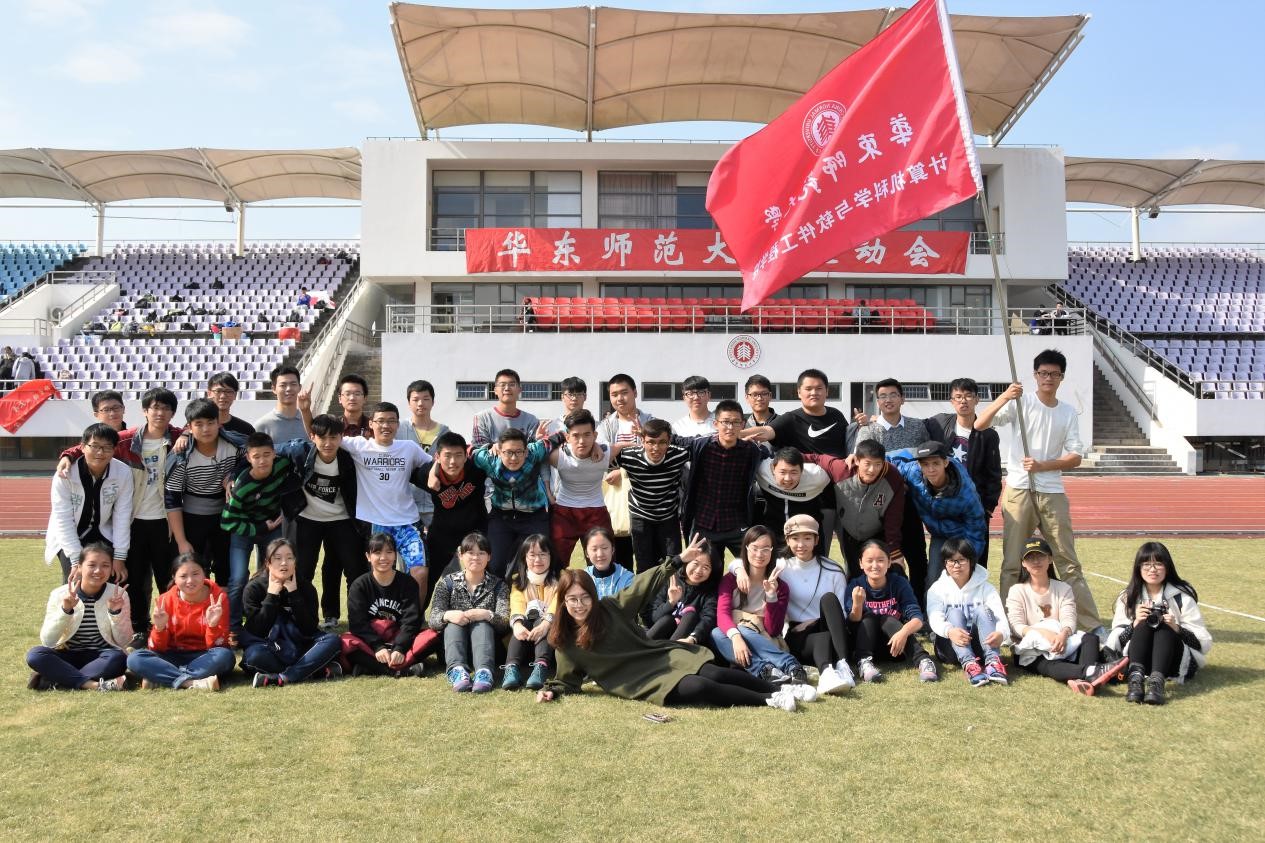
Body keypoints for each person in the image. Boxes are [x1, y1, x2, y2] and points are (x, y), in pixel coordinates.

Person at [538, 541, 804, 712]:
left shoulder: (608, 608)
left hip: (655, 656)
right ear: (563, 602)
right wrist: (550, 691)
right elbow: (565, 680)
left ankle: (780, 688)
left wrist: (677, 560)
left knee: (713, 672)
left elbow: (642, 585)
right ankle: (770, 700)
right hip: (639, 681)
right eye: (572, 599)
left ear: (593, 596)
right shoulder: (565, 641)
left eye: (585, 597)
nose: (580, 605)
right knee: (699, 687)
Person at [975, 349, 1101, 633]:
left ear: (1061, 377)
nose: (1048, 378)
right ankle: (1009, 627)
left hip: (1052, 491)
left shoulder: (1067, 412)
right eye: (1043, 373)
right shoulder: (1021, 403)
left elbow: (1075, 456)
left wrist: (1044, 465)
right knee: (1012, 563)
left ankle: (1091, 626)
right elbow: (980, 423)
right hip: (1019, 489)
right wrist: (1006, 396)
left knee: (1068, 562)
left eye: (1054, 374)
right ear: (1035, 375)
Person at [58, 387, 182, 648]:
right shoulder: (126, 440)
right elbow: (95, 444)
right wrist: (67, 454)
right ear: (145, 410)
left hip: (167, 521)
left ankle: (174, 626)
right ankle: (138, 627)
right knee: (134, 579)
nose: (160, 413)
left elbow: (204, 433)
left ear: (173, 412)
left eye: (166, 408)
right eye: (155, 407)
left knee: (169, 577)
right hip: (135, 521)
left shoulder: (180, 438)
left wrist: (190, 432)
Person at [305, 398, 433, 606]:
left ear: (398, 425)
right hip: (375, 524)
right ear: (371, 424)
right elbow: (321, 434)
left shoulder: (409, 448)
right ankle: (379, 616)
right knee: (378, 575)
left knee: (420, 571)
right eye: (380, 421)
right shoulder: (358, 445)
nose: (386, 426)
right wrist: (305, 410)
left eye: (391, 421)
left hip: (407, 522)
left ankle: (414, 619)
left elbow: (434, 465)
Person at [854, 379, 943, 598]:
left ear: (902, 399)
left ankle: (919, 606)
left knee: (917, 559)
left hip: (912, 505)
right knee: (883, 560)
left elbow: (926, 460)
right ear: (877, 401)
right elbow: (863, 468)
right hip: (880, 508)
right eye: (883, 396)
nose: (888, 400)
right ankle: (888, 604)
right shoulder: (868, 431)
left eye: (893, 395)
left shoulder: (917, 427)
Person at [1006, 537, 1129, 695]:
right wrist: (1043, 633)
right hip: (1032, 648)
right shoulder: (1017, 590)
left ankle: (1084, 679)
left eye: (1040, 556)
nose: (1036, 561)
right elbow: (1016, 626)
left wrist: (1063, 634)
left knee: (1091, 638)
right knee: (1046, 664)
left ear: (1050, 559)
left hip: (1062, 641)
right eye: (1030, 558)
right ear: (1023, 563)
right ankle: (1091, 672)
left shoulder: (1063, 588)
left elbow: (1069, 619)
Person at [165, 398, 244, 628]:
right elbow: (172, 499)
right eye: (198, 424)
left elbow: (251, 457)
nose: (206, 429)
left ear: (219, 423)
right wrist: (181, 540)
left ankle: (225, 623)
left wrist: (234, 476)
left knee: (226, 570)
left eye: (210, 422)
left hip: (226, 517)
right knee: (192, 571)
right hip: (192, 518)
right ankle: (190, 623)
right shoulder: (181, 456)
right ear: (189, 427)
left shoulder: (234, 446)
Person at [712, 526, 821, 690]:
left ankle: (790, 666)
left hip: (766, 641)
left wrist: (771, 596)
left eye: (765, 549)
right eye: (754, 548)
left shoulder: (780, 587)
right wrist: (736, 637)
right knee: (716, 633)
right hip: (736, 642)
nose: (759, 554)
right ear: (746, 548)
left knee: (735, 629)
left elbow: (773, 630)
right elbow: (722, 614)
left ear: (772, 551)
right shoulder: (730, 580)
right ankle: (767, 670)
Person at [668, 399, 769, 571]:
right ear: (716, 424)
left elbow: (773, 457)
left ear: (742, 425)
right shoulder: (701, 444)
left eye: (735, 422)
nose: (730, 427)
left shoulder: (751, 450)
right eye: (725, 422)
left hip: (736, 522)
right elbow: (674, 440)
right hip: (704, 522)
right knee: (703, 573)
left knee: (754, 568)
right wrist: (645, 432)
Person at [285, 414, 365, 631]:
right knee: (303, 570)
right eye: (322, 437)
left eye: (333, 437)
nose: (328, 443)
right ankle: (304, 617)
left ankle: (354, 618)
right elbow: (267, 450)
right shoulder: (301, 452)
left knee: (353, 569)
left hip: (342, 520)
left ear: (341, 437)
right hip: (307, 519)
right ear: (312, 436)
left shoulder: (349, 459)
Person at [1105, 542, 1211, 705]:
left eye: (1158, 564)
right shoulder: (1129, 596)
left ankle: (1156, 685)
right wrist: (1134, 624)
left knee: (1163, 626)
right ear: (1138, 568)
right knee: (1143, 624)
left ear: (1167, 567)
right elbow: (1115, 643)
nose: (1152, 570)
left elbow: (1201, 644)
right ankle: (1135, 681)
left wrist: (1177, 628)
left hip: (1174, 661)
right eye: (1146, 564)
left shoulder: (1181, 596)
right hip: (1139, 658)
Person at [220, 432, 299, 639]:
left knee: (276, 573)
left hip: (272, 528)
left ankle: (270, 622)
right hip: (244, 531)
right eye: (256, 456)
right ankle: (234, 627)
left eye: (266, 455)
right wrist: (260, 528)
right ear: (248, 458)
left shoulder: (282, 465)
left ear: (274, 453)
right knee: (238, 578)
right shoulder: (242, 485)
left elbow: (301, 452)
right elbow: (228, 522)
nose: (262, 461)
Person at [767, 514, 856, 690]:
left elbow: (842, 613)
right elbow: (742, 563)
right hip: (798, 636)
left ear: (816, 540)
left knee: (829, 599)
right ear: (787, 541)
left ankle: (843, 665)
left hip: (832, 633)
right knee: (822, 638)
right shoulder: (780, 569)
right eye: (795, 538)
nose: (801, 544)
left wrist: (814, 622)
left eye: (807, 538)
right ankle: (827, 673)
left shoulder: (833, 569)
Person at [26, 543, 131, 691]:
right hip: (68, 654)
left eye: (105, 566)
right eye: (92, 565)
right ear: (80, 567)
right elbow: (48, 641)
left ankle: (57, 680)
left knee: (118, 658)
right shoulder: (59, 594)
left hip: (102, 656)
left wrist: (115, 613)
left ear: (111, 568)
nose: (98, 571)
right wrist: (65, 610)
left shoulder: (118, 595)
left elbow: (123, 641)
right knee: (35, 655)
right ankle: (93, 685)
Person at [240, 539, 343, 686]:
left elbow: (309, 629)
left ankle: (286, 677)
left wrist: (294, 594)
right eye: (278, 558)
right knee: (253, 656)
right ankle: (314, 671)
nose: (284, 563)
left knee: (332, 640)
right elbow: (257, 631)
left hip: (301, 646)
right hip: (268, 647)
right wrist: (271, 595)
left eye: (289, 558)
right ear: (268, 563)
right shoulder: (254, 588)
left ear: (295, 562)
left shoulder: (306, 587)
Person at [126, 552, 235, 690]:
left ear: (204, 573)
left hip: (204, 656)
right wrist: (159, 628)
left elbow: (218, 645)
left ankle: (162, 678)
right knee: (134, 658)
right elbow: (157, 648)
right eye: (183, 576)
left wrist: (212, 626)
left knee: (225, 657)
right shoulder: (165, 600)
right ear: (174, 578)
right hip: (171, 655)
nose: (190, 580)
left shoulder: (219, 598)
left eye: (195, 574)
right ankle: (191, 683)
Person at [890, 440, 987, 593]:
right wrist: (856, 458)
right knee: (932, 581)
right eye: (925, 464)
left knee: (962, 579)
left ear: (945, 462)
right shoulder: (913, 472)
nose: (931, 469)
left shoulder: (966, 493)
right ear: (919, 465)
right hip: (939, 535)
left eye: (936, 463)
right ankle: (930, 609)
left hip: (963, 536)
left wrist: (969, 558)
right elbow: (889, 462)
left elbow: (976, 529)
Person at [45, 423, 132, 584]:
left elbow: (122, 515)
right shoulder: (65, 474)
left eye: (107, 447)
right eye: (95, 446)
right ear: (83, 447)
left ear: (114, 449)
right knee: (76, 582)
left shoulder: (123, 472)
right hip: (69, 534)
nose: (100, 452)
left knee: (112, 579)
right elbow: (63, 518)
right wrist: (75, 560)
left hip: (102, 531)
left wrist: (120, 556)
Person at [805, 439, 906, 579]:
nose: (872, 469)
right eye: (867, 463)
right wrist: (785, 459)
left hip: (877, 532)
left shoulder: (893, 477)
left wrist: (894, 552)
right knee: (854, 575)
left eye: (878, 464)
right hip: (850, 533)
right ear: (857, 460)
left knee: (883, 574)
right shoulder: (841, 469)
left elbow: (894, 518)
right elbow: (817, 458)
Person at [928, 377, 1001, 565]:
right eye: (958, 396)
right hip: (944, 505)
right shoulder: (939, 423)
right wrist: (877, 419)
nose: (963, 401)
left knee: (976, 562)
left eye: (968, 396)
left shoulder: (988, 434)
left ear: (977, 400)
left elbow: (993, 475)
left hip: (974, 508)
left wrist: (987, 509)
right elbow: (914, 427)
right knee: (940, 565)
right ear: (952, 401)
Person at [845, 541, 939, 683]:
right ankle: (864, 663)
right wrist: (857, 604)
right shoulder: (855, 585)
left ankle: (923, 660)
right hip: (864, 645)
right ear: (861, 563)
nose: (875, 565)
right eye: (869, 561)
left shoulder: (898, 583)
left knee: (887, 619)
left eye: (880, 560)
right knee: (870, 617)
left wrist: (903, 633)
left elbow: (917, 619)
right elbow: (852, 623)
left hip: (895, 647)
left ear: (889, 562)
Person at [341, 533, 433, 677]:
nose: (383, 558)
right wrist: (378, 646)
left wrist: (400, 648)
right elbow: (357, 623)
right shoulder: (359, 585)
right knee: (345, 642)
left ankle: (370, 666)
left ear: (395, 555)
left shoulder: (408, 583)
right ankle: (400, 670)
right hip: (371, 641)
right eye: (377, 553)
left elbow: (411, 621)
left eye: (389, 552)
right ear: (368, 556)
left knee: (432, 637)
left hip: (399, 637)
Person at [428, 532, 510, 693]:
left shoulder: (499, 586)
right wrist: (448, 615)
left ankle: (484, 673)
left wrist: (487, 615)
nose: (476, 558)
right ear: (461, 555)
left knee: (482, 623)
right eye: (470, 553)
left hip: (488, 648)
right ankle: (457, 671)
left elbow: (504, 623)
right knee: (453, 623)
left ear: (489, 557)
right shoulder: (447, 583)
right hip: (453, 647)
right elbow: (433, 619)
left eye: (481, 553)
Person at [470, 427, 556, 577]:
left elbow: (559, 437)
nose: (514, 458)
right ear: (499, 451)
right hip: (501, 517)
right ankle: (500, 591)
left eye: (518, 452)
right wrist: (488, 446)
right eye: (508, 452)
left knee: (539, 564)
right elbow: (466, 450)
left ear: (526, 451)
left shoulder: (534, 452)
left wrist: (594, 446)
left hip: (534, 516)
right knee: (495, 565)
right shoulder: (488, 459)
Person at [926, 538, 1011, 687]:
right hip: (950, 647)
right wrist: (949, 631)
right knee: (954, 612)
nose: (956, 565)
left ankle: (993, 663)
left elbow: (1000, 616)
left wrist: (1001, 633)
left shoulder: (986, 588)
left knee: (983, 610)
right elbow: (934, 618)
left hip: (981, 646)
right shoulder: (937, 589)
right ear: (945, 563)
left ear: (971, 561)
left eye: (961, 560)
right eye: (951, 561)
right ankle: (969, 664)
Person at [609, 418, 688, 573]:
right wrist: (623, 444)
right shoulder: (629, 456)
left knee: (673, 564)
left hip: (668, 517)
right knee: (644, 565)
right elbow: (601, 454)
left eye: (662, 442)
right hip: (641, 517)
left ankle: (672, 590)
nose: (656, 448)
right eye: (650, 442)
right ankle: (647, 590)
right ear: (642, 441)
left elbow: (703, 445)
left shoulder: (679, 455)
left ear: (669, 441)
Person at [598, 374, 656, 566]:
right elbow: (602, 457)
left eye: (624, 393)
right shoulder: (605, 426)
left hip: (646, 500)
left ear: (635, 393)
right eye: (614, 394)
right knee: (621, 557)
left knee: (647, 559)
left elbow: (657, 457)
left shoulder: (651, 423)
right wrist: (626, 446)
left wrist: (623, 471)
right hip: (617, 499)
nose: (619, 398)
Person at [547, 409, 612, 563]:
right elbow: (532, 454)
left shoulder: (606, 453)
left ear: (595, 435)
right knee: (556, 563)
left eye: (587, 435)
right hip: (564, 511)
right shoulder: (558, 456)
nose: (582, 441)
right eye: (576, 436)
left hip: (596, 511)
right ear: (567, 437)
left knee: (603, 562)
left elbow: (627, 447)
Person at [424, 431, 488, 584]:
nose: (453, 461)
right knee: (429, 575)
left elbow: (499, 456)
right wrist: (432, 473)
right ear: (437, 457)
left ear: (466, 456)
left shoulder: (476, 468)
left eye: (458, 455)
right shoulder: (427, 474)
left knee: (488, 570)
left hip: (476, 529)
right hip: (442, 531)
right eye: (447, 456)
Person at [502, 534, 560, 691]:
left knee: (542, 621)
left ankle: (540, 667)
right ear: (524, 558)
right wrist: (517, 625)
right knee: (522, 623)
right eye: (532, 555)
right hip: (525, 637)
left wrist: (546, 623)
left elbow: (558, 603)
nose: (537, 560)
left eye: (543, 554)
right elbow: (517, 604)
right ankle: (511, 669)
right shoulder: (517, 580)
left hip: (550, 637)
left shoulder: (561, 578)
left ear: (551, 556)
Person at [753, 447, 831, 557]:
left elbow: (840, 467)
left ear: (802, 470)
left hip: (807, 536)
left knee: (812, 566)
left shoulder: (818, 476)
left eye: (793, 472)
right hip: (774, 533)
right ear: (773, 469)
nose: (787, 478)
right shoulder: (762, 469)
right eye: (782, 472)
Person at [399, 379, 449, 533]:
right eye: (415, 399)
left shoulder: (444, 432)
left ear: (433, 402)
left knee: (439, 544)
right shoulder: (399, 429)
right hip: (403, 505)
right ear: (409, 403)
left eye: (426, 399)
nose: (421, 403)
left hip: (434, 504)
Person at [644, 544, 717, 646]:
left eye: (706, 567)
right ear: (687, 562)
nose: (698, 571)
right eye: (695, 563)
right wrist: (671, 602)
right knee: (668, 620)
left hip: (686, 641)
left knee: (690, 614)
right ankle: (639, 648)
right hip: (658, 636)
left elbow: (708, 619)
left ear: (711, 571)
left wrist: (693, 637)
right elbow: (653, 619)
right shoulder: (671, 580)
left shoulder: (710, 592)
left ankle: (670, 652)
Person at [471, 368, 539, 447]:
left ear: (519, 390)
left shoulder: (531, 420)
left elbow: (534, 450)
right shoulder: (482, 418)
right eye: (502, 385)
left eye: (512, 384)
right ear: (495, 390)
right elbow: (479, 450)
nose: (507, 388)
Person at [255, 365, 307, 444]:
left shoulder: (308, 422)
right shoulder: (262, 426)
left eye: (293, 384)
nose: (289, 389)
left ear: (299, 387)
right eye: (283, 385)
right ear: (274, 389)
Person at [583, 525, 634, 599]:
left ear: (612, 549)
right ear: (586, 553)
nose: (600, 554)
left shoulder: (628, 579)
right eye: (594, 549)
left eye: (604, 548)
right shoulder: (582, 579)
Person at [336, 374, 372, 439]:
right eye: (347, 394)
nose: (352, 398)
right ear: (340, 398)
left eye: (357, 394)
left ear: (365, 398)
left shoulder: (373, 426)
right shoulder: (332, 425)